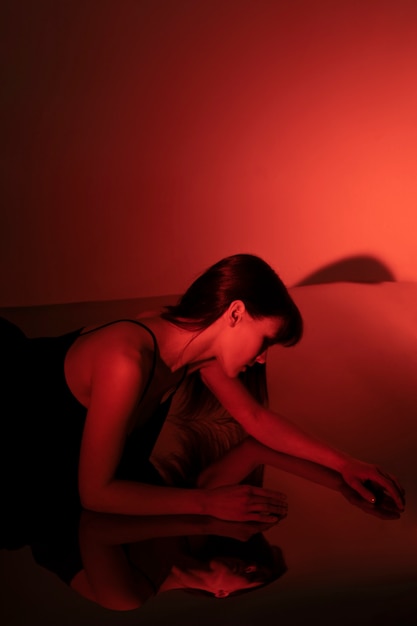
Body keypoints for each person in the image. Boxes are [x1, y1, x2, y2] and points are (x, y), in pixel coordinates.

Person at [0, 253, 405, 523]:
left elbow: (256, 420)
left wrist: (345, 465)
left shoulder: (195, 353)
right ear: (235, 312)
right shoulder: (126, 361)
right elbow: (95, 493)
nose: (263, 358)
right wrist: (207, 502)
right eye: (264, 341)